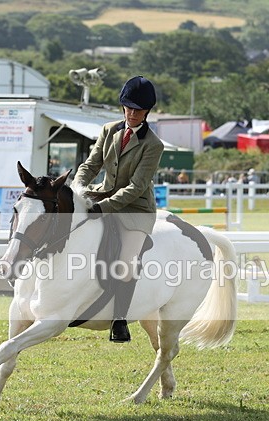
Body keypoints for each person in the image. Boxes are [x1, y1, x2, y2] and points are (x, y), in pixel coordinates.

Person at [73, 75, 164, 343]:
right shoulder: (109, 130)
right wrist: (79, 187)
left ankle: (120, 319)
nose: (133, 114)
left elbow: (137, 187)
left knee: (125, 264)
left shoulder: (153, 145)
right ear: (123, 106)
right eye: (129, 108)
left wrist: (103, 207)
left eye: (139, 110)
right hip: (102, 199)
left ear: (147, 111)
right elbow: (90, 165)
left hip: (135, 210)